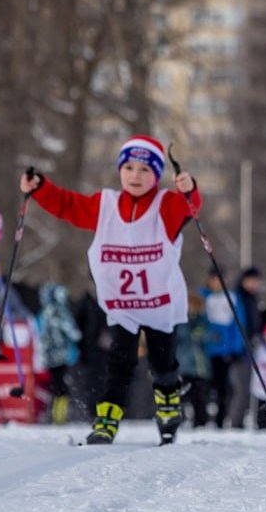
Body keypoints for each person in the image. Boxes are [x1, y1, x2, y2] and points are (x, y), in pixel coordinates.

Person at [19, 135, 199, 445]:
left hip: (159, 303)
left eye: (145, 170)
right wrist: (40, 189)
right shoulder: (105, 205)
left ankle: (169, 401)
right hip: (124, 305)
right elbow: (68, 205)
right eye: (129, 167)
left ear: (156, 174)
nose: (135, 176)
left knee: (162, 363)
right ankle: (107, 420)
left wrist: (190, 189)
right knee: (119, 363)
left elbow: (188, 208)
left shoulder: (164, 204)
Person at [202, 270, 246, 429]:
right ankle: (201, 416)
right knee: (204, 385)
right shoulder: (203, 296)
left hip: (224, 350)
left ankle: (220, 418)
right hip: (204, 351)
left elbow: (239, 324)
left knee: (224, 386)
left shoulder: (232, 297)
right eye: (214, 279)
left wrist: (236, 347)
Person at [37, 282, 82, 424]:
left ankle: (54, 414)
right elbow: (75, 333)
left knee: (55, 385)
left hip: (48, 356)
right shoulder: (60, 312)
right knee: (62, 387)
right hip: (63, 355)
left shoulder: (43, 313)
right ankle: (59, 417)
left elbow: (39, 332)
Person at [229, 267, 264, 428]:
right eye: (251, 280)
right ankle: (235, 421)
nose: (254, 284)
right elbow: (235, 324)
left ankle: (240, 419)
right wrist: (235, 348)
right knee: (241, 388)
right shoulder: (237, 298)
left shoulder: (253, 298)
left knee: (247, 388)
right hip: (239, 349)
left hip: (250, 346)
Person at [174, 294, 210, 427]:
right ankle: (179, 420)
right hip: (183, 365)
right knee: (181, 396)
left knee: (199, 397)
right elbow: (180, 336)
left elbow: (208, 336)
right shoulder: (179, 321)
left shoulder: (202, 320)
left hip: (199, 366)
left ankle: (200, 422)